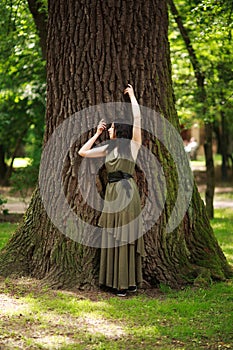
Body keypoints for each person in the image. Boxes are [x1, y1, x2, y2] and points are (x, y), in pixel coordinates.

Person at [78, 84, 145, 297]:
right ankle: (117, 281)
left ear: (121, 130)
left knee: (126, 235)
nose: (109, 129)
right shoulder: (108, 147)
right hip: (112, 194)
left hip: (127, 193)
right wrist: (97, 134)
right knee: (114, 236)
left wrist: (133, 96)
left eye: (111, 127)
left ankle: (128, 283)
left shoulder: (133, 145)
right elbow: (83, 152)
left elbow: (138, 119)